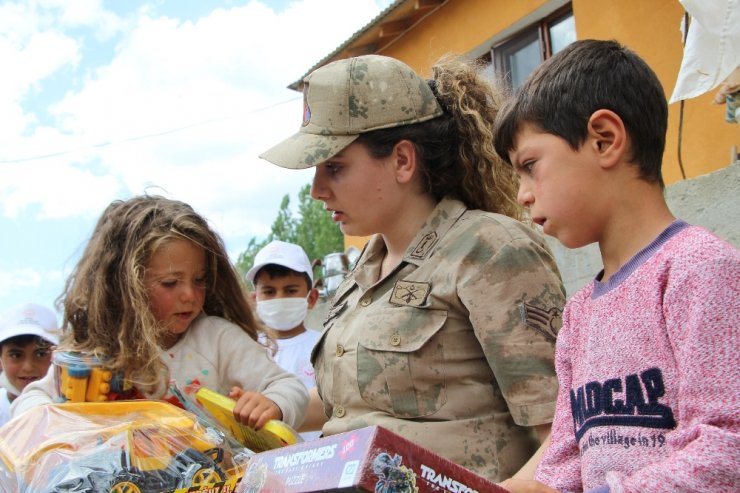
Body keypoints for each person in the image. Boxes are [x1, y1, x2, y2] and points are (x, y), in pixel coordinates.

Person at [258, 54, 566, 481]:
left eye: (335, 167)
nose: (316, 190)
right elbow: (357, 408)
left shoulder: (488, 250)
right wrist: (276, 407)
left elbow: (564, 432)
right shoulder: (361, 273)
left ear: (403, 161)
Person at [493, 39, 740, 493]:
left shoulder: (701, 270)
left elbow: (728, 447)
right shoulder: (579, 314)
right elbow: (567, 462)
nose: (523, 194)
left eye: (530, 166)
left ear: (604, 139)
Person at [11, 195, 308, 431]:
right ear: (124, 286)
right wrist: (44, 421)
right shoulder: (98, 351)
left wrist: (273, 403)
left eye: (200, 280)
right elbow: (35, 398)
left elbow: (289, 386)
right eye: (170, 282)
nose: (190, 295)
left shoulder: (217, 339)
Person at [246, 240, 322, 441]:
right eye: (269, 291)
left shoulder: (324, 346)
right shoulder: (246, 349)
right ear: (255, 300)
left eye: (290, 290)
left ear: (312, 298)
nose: (279, 298)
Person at [0, 303, 59, 426]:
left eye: (41, 354)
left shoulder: (68, 411)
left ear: (57, 356)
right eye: (16, 355)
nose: (28, 367)